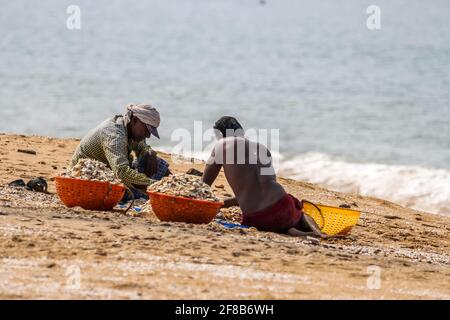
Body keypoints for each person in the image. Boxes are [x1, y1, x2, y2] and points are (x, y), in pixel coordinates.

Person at [202, 116, 327, 238]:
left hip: (259, 219)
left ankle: (288, 231)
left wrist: (217, 204)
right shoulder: (261, 148)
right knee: (301, 215)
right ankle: (314, 232)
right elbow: (263, 190)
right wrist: (223, 203)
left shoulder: (221, 146)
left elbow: (203, 186)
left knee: (269, 223)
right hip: (284, 206)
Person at [70, 104, 170, 198]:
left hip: (112, 173)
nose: (148, 135)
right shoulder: (115, 135)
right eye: (147, 130)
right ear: (135, 120)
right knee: (145, 193)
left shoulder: (129, 128)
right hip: (87, 181)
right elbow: (122, 172)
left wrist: (150, 153)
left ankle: (174, 186)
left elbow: (142, 147)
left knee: (155, 161)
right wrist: (156, 185)